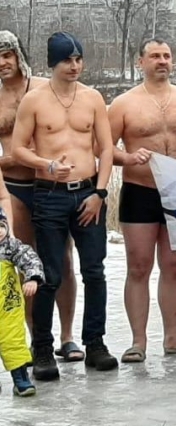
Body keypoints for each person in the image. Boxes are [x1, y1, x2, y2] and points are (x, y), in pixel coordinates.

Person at [11, 32, 118, 379]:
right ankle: (42, 347)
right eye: (66, 61)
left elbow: (105, 148)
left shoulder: (93, 98)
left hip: (87, 192)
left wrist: (100, 194)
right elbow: (18, 148)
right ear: (52, 63)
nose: (74, 67)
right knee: (50, 273)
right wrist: (47, 165)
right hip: (50, 194)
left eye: (78, 60)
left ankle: (95, 343)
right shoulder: (35, 100)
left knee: (94, 271)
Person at [108, 38, 176, 362]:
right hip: (140, 190)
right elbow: (104, 149)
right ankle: (138, 341)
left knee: (174, 266)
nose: (162, 61)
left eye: (166, 56)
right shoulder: (123, 104)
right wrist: (127, 158)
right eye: (154, 56)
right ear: (141, 62)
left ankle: (174, 337)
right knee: (138, 267)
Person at [0, 30, 79, 361]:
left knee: (62, 259)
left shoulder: (46, 88)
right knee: (26, 261)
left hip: (51, 185)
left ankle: (67, 335)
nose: (2, 63)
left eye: (7, 55)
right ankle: (37, 336)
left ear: (19, 55)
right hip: (13, 186)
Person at [0, 205, 44, 396]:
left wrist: (33, 278)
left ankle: (21, 379)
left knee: (14, 341)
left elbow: (30, 259)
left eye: (1, 225)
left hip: (8, 307)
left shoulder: (11, 246)